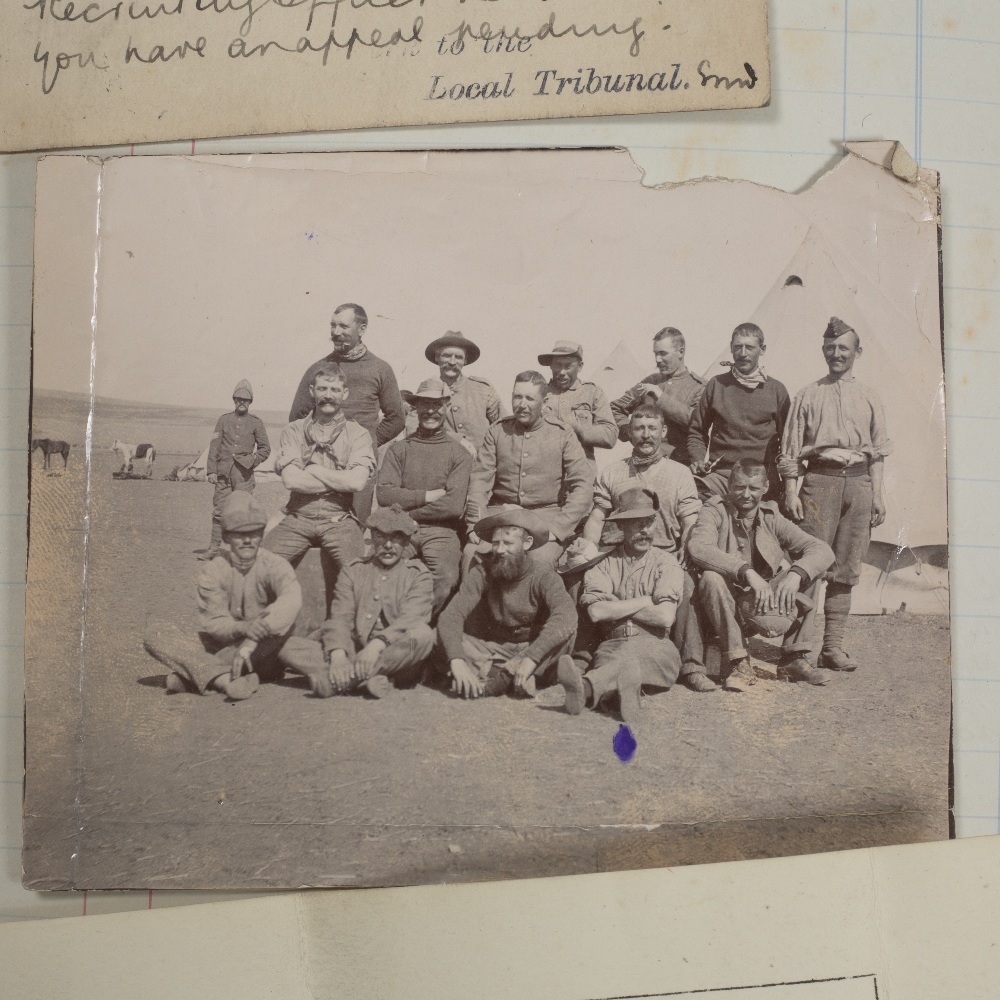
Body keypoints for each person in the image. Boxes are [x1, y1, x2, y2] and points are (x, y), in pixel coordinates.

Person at [778, 316, 891, 673]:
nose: (836, 354)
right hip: (819, 483)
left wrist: (878, 494)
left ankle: (832, 648)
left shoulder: (870, 396)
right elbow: (791, 451)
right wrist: (790, 492)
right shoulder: (808, 394)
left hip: (859, 485)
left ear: (858, 352)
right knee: (812, 564)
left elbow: (878, 452)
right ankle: (798, 651)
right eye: (830, 347)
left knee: (846, 568)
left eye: (843, 347)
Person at [582, 404, 713, 692]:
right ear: (629, 432)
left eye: (652, 428)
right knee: (585, 585)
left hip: (665, 551)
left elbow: (690, 519)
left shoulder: (678, 473)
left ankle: (691, 665)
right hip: (618, 550)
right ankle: (581, 658)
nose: (645, 435)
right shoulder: (613, 471)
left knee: (688, 587)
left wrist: (686, 548)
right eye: (639, 428)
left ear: (663, 432)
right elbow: (597, 516)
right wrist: (589, 548)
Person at [686, 459, 835, 691]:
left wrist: (795, 574)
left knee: (811, 570)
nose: (746, 494)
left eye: (753, 488)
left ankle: (793, 658)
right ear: (729, 485)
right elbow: (699, 548)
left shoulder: (770, 515)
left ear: (765, 488)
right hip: (724, 607)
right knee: (711, 578)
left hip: (761, 601)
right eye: (739, 487)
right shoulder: (713, 510)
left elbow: (821, 549)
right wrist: (747, 572)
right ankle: (738, 662)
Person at [143, 492, 306, 700]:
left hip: (264, 649)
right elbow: (214, 622)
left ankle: (194, 676)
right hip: (225, 643)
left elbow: (291, 601)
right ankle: (226, 680)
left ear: (262, 534)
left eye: (254, 533)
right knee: (156, 634)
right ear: (227, 537)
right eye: (239, 534)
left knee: (281, 632)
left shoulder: (275, 565)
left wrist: (253, 633)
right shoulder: (213, 571)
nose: (248, 540)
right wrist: (241, 627)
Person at [558, 489, 685, 727]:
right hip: (612, 646)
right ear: (622, 528)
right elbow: (596, 612)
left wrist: (614, 606)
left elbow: (665, 617)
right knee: (618, 663)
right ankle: (625, 695)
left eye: (648, 523)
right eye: (636, 525)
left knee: (626, 662)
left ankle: (585, 688)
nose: (644, 531)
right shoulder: (604, 563)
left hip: (656, 647)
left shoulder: (666, 562)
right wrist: (646, 600)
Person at [281, 506, 436, 699]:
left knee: (422, 635)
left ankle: (342, 680)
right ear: (372, 537)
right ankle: (370, 678)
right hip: (355, 649)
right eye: (381, 537)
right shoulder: (354, 570)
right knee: (287, 646)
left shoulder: (418, 574)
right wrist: (338, 654)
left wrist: (377, 645)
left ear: (405, 541)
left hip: (393, 655)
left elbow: (411, 619)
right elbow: (340, 615)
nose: (388, 545)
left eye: (396, 538)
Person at [263, 363, 375, 605]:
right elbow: (292, 480)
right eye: (323, 388)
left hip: (339, 520)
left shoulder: (358, 434)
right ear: (312, 391)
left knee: (360, 576)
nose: (328, 395)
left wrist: (312, 469)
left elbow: (357, 482)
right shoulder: (293, 431)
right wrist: (338, 480)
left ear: (344, 394)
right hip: (297, 517)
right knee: (260, 567)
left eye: (335, 390)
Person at [437, 509, 577, 700]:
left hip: (533, 647)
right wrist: (457, 660)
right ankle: (513, 676)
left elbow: (566, 616)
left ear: (526, 544)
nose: (500, 550)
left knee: (565, 635)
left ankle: (500, 678)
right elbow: (452, 615)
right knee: (437, 638)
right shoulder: (483, 572)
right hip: (494, 648)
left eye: (508, 543)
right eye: (496, 543)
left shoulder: (544, 575)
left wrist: (531, 657)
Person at [288, 303, 405, 520]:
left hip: (358, 466)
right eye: (333, 326)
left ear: (361, 329)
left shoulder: (380, 369)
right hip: (319, 464)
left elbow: (397, 419)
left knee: (354, 527)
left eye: (343, 326)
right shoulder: (318, 368)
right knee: (311, 521)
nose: (336, 332)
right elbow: (296, 417)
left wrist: (365, 443)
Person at [466, 370, 594, 568]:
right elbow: (480, 480)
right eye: (517, 397)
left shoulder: (562, 434)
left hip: (544, 518)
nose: (522, 405)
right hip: (501, 515)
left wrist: (558, 528)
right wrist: (474, 524)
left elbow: (583, 485)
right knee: (472, 556)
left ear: (544, 400)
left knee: (539, 561)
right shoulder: (497, 431)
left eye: (529, 398)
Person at [376, 378, 473, 617]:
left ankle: (418, 628)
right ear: (415, 407)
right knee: (382, 572)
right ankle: (389, 627)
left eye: (437, 404)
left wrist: (405, 510)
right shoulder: (399, 449)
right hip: (400, 529)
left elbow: (452, 506)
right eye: (424, 404)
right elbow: (384, 494)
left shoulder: (459, 453)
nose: (431, 411)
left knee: (445, 576)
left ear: (447, 407)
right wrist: (426, 496)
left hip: (441, 531)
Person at [687, 323, 790, 498]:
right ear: (731, 348)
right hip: (723, 475)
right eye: (738, 347)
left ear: (762, 349)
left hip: (761, 476)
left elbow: (788, 441)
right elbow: (697, 431)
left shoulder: (776, 390)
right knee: (689, 498)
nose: (743, 354)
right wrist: (697, 458)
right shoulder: (716, 385)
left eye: (749, 347)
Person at [611, 327, 706, 466]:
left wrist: (661, 397)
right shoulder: (650, 381)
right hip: (643, 462)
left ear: (681, 352)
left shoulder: (698, 387)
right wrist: (631, 431)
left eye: (663, 354)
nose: (657, 359)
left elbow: (696, 421)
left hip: (679, 464)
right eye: (655, 354)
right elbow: (614, 409)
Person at [200, 379, 271, 560]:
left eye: (245, 400)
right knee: (218, 511)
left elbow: (265, 449)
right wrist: (211, 471)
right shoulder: (224, 420)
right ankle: (214, 549)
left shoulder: (256, 423)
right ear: (233, 400)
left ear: (250, 402)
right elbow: (214, 445)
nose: (242, 402)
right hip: (223, 474)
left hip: (244, 476)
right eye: (238, 399)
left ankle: (242, 552)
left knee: (243, 513)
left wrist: (252, 461)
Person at [537, 340, 617, 471]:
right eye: (557, 365)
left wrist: (579, 429)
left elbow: (611, 435)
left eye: (568, 366)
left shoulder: (592, 393)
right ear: (550, 366)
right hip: (545, 471)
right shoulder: (539, 393)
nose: (562, 372)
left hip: (581, 472)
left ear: (580, 367)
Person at [424, 331, 504, 455]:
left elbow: (503, 427)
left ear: (465, 360)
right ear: (437, 357)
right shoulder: (427, 390)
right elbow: (414, 428)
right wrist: (457, 439)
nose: (452, 362)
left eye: (458, 357)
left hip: (481, 468)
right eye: (447, 356)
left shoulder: (482, 389)